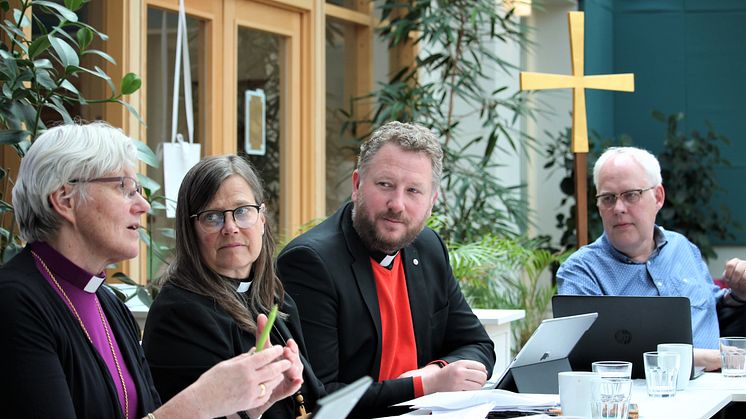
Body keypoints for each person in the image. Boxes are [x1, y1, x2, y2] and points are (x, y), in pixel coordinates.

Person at [0, 122, 296, 419]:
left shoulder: (109, 303)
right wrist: (200, 402)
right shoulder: (14, 303)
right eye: (124, 188)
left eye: (138, 190)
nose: (143, 205)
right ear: (65, 199)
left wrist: (243, 408)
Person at [277, 121, 495, 416]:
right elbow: (320, 397)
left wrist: (439, 371)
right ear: (357, 185)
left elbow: (477, 344)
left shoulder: (428, 247)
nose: (397, 204)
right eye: (385, 185)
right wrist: (423, 385)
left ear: (432, 201)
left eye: (414, 190)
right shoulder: (311, 262)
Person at [142, 155, 325, 419]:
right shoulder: (179, 314)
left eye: (242, 212)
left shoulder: (274, 299)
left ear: (262, 219)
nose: (230, 228)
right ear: (190, 230)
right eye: (212, 217)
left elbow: (313, 397)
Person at [556, 146, 746, 371]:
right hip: (645, 400)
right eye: (608, 198)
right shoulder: (582, 271)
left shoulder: (682, 249)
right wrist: (702, 358)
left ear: (658, 197)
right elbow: (589, 355)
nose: (618, 208)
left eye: (630, 195)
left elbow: (710, 310)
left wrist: (739, 295)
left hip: (723, 395)